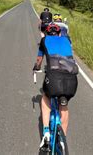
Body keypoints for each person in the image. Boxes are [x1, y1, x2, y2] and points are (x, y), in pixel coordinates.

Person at [33, 23, 78, 152]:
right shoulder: (67, 39)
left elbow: (39, 60)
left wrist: (36, 68)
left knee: (46, 97)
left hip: (53, 78)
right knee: (63, 104)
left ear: (46, 33)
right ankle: (62, 138)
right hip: (72, 79)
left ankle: (46, 133)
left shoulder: (44, 40)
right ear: (59, 33)